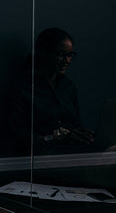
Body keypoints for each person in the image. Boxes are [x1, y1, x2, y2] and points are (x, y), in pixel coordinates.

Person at [8, 27, 95, 155]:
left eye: (70, 55)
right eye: (61, 55)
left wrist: (83, 135)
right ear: (43, 53)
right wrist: (52, 138)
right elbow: (16, 139)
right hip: (40, 159)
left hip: (72, 154)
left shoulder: (68, 87)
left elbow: (77, 124)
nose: (67, 60)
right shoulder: (22, 89)